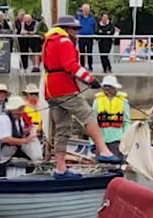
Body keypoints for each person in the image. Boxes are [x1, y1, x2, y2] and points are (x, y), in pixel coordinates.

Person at [42, 15, 122, 177]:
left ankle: (60, 168)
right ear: (66, 29)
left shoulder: (49, 41)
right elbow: (71, 66)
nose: (76, 32)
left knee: (62, 128)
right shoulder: (64, 42)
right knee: (87, 115)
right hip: (65, 88)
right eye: (74, 29)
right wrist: (90, 79)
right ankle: (104, 151)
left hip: (50, 89)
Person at [0, 96, 37, 178]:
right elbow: (5, 139)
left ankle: (27, 177)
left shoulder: (19, 119)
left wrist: (29, 131)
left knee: (31, 162)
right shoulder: (3, 119)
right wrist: (25, 140)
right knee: (1, 174)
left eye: (22, 109)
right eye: (20, 109)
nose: (22, 111)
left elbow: (19, 132)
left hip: (9, 151)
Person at [92, 75, 131, 156]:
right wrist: (93, 142)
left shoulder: (123, 102)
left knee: (117, 163)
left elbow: (127, 122)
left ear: (114, 87)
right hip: (101, 141)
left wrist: (125, 139)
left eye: (109, 86)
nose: (107, 89)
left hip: (117, 140)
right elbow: (93, 122)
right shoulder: (97, 102)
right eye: (105, 86)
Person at [75, 3, 97, 70]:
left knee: (89, 52)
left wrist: (94, 34)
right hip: (81, 37)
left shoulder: (92, 18)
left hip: (89, 37)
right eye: (84, 9)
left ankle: (90, 66)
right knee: (82, 53)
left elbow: (95, 26)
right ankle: (82, 66)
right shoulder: (79, 18)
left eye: (87, 9)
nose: (86, 11)